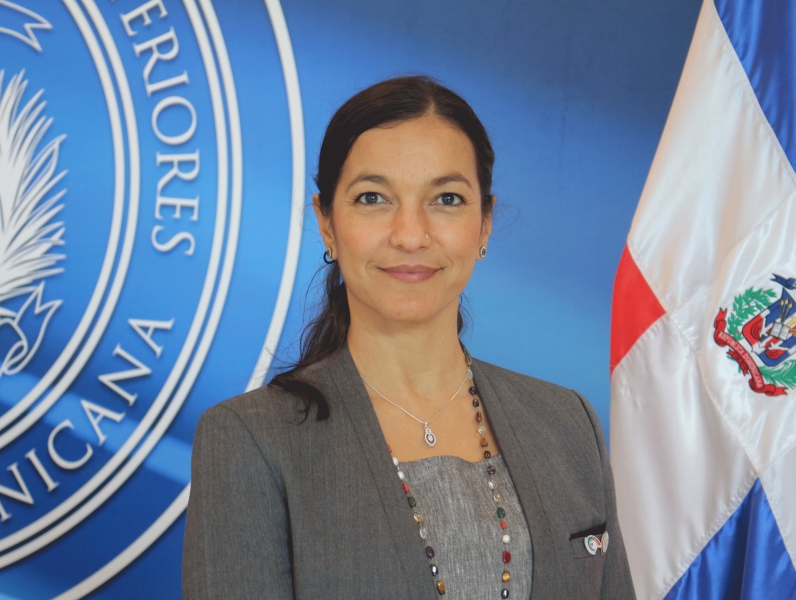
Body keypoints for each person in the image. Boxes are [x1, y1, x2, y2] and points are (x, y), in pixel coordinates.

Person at [182, 76, 635, 599]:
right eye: (373, 198)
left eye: (446, 198)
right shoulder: (249, 440)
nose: (411, 235)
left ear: (485, 224)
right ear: (326, 223)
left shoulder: (568, 424)